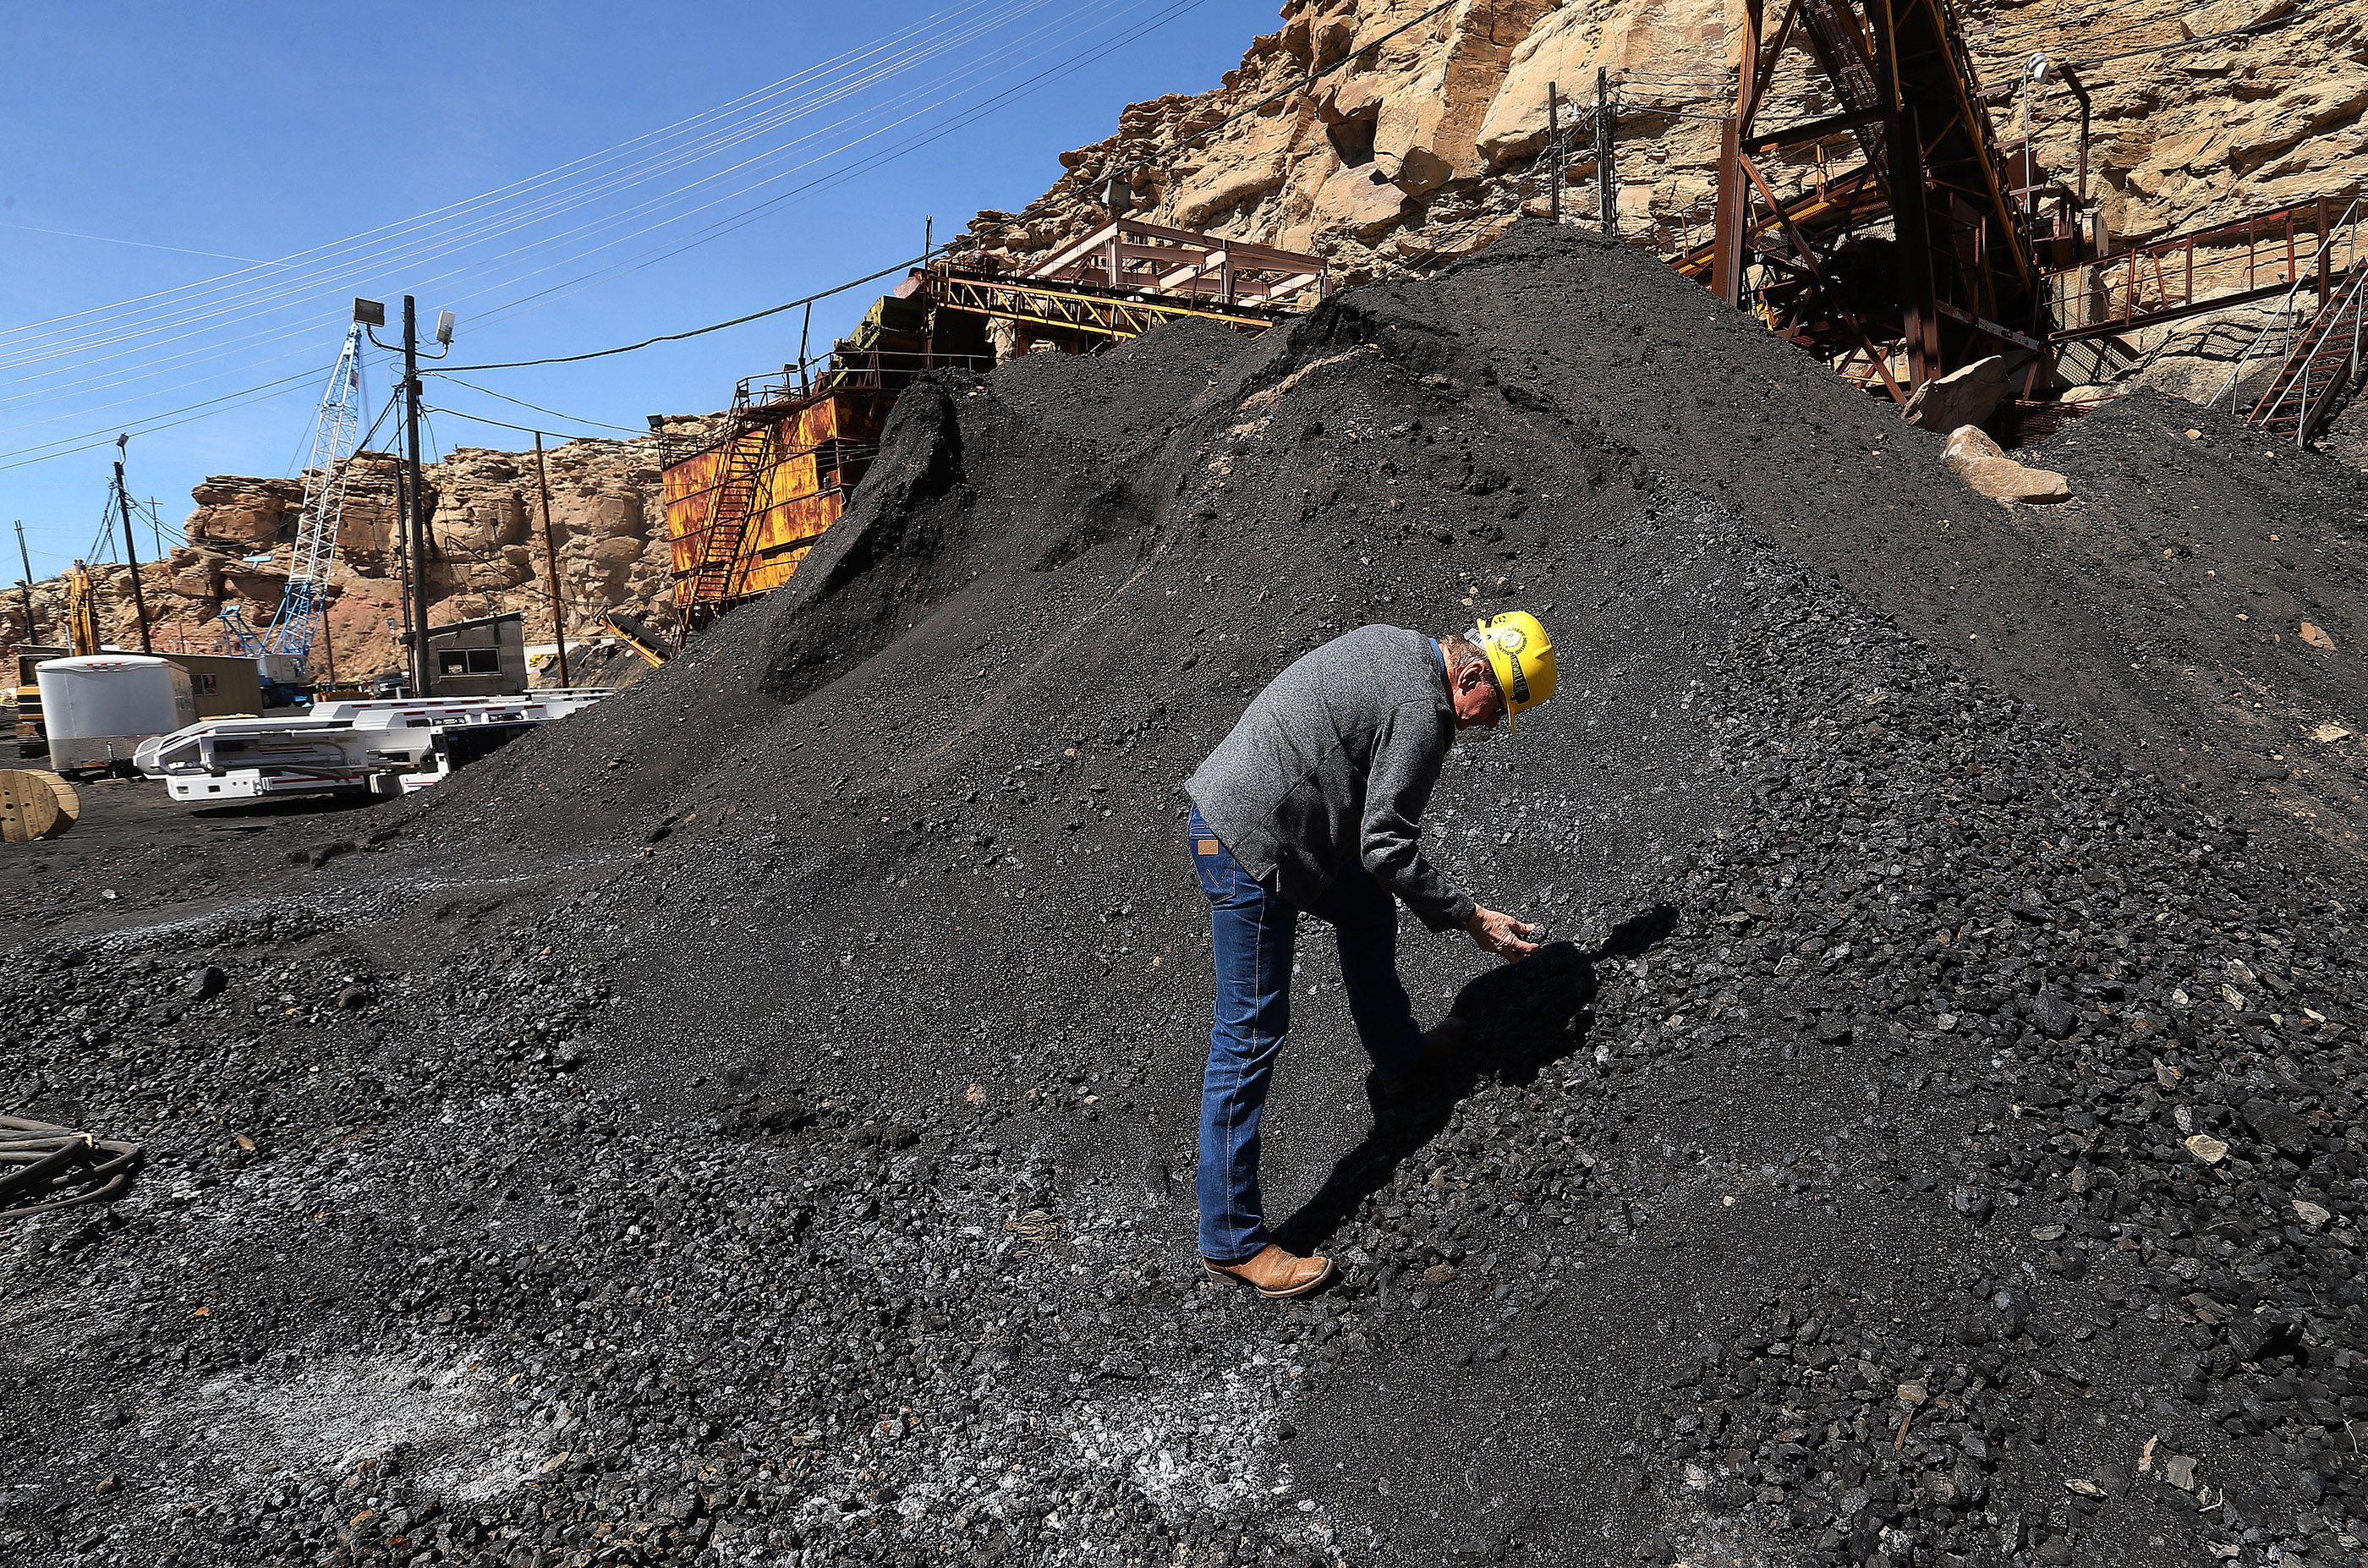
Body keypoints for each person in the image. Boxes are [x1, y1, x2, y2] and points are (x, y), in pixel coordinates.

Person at [1181, 611, 1558, 1298]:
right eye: (1494, 707)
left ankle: (1401, 1064)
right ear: (1471, 674)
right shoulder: (1423, 709)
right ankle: (1230, 1239)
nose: (1483, 724)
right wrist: (1470, 918)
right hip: (1250, 843)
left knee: (1365, 910)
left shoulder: (1399, 647)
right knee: (1250, 1030)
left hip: (1259, 817)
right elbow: (1385, 846)